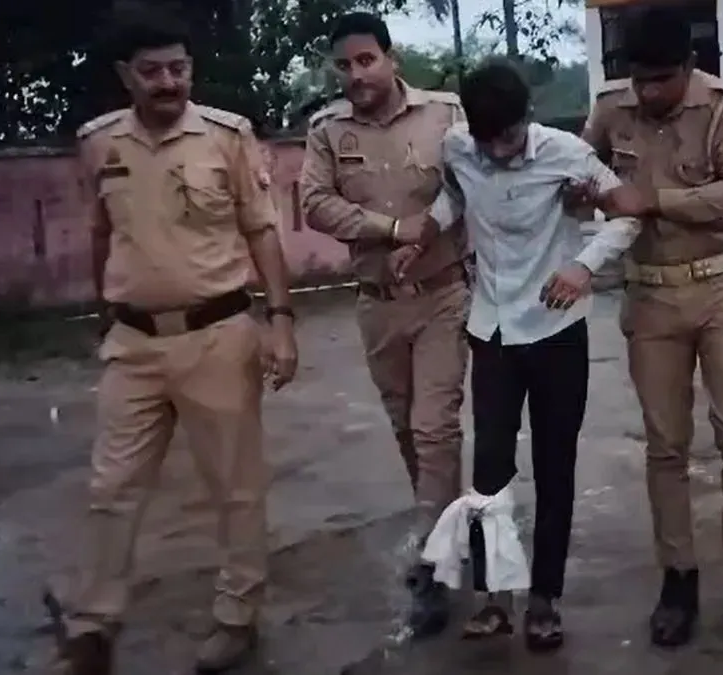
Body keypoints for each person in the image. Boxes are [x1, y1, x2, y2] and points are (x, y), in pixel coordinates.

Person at [41, 3, 298, 673]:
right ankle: (93, 629)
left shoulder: (226, 136)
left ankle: (237, 616)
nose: (168, 83)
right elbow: (101, 233)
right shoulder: (100, 142)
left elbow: (262, 230)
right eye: (152, 71)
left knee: (235, 488)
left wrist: (280, 320)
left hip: (218, 334)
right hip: (133, 343)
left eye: (178, 69)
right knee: (111, 487)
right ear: (126, 75)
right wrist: (103, 307)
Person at [577, 3, 723, 659]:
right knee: (666, 445)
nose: (648, 92)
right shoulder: (611, 109)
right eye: (640, 78)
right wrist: (579, 194)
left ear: (690, 66)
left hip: (720, 286)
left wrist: (654, 199)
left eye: (661, 79)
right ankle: (678, 579)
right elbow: (580, 173)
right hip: (650, 295)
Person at [413, 59, 637, 651]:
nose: (499, 151)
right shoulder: (459, 148)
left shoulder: (566, 154)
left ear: (527, 117)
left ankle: (544, 600)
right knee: (488, 469)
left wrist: (584, 265)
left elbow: (627, 214)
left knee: (555, 466)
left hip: (557, 330)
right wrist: (425, 231)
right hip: (492, 331)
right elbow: (454, 197)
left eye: (509, 137)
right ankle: (494, 599)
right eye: (488, 141)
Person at [299, 12, 470, 638]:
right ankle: (447, 522)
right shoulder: (327, 130)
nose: (356, 75)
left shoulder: (444, 114)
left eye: (366, 60)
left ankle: (434, 560)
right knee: (406, 428)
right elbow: (316, 204)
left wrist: (426, 233)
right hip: (376, 302)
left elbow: (469, 185)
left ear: (391, 58)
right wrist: (392, 230)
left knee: (434, 426)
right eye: (343, 66)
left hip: (443, 294)